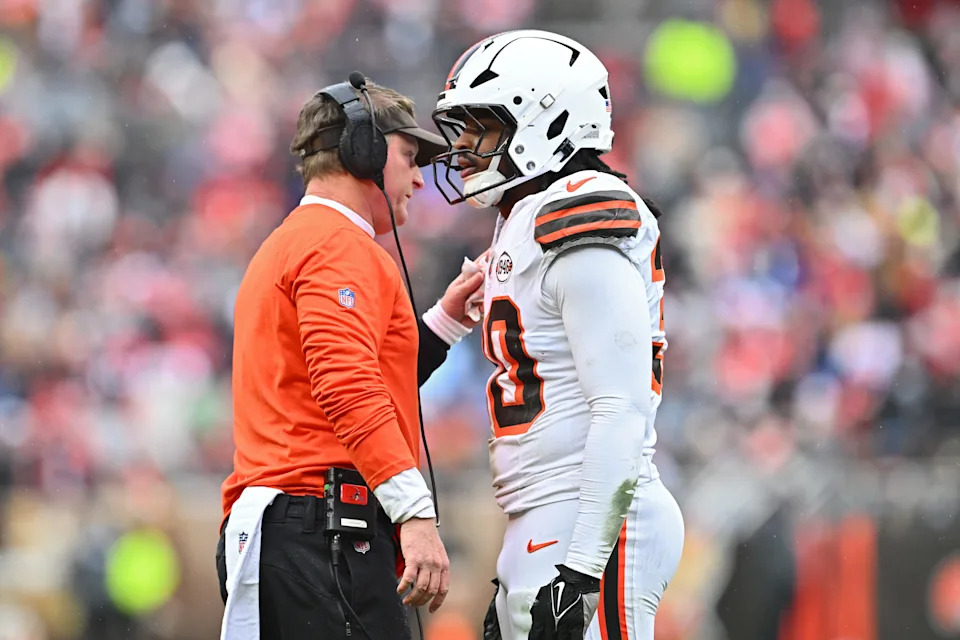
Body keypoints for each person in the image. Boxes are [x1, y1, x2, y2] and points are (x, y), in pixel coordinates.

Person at [431, 31, 685, 640]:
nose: (463, 148)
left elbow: (618, 406)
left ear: (546, 120)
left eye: (481, 126)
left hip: (594, 514)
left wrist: (581, 569)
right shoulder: (521, 219)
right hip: (545, 511)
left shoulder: (576, 210)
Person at [216, 76, 485, 639]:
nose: (417, 178)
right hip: (318, 530)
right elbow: (346, 387)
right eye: (410, 156)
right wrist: (415, 512)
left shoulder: (301, 239)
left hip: (300, 532)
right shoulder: (336, 244)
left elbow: (354, 382)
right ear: (364, 150)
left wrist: (444, 322)